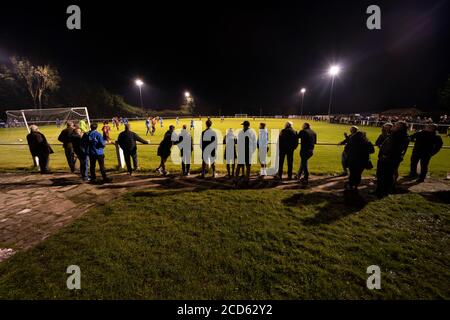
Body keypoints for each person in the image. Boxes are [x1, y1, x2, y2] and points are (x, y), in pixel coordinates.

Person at [375, 121, 409, 198]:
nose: (393, 126)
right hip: (386, 158)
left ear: (400, 127)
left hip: (388, 159)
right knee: (381, 175)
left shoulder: (400, 136)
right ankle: (380, 191)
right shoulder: (396, 134)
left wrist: (386, 155)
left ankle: (383, 192)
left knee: (386, 176)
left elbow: (395, 149)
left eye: (396, 125)